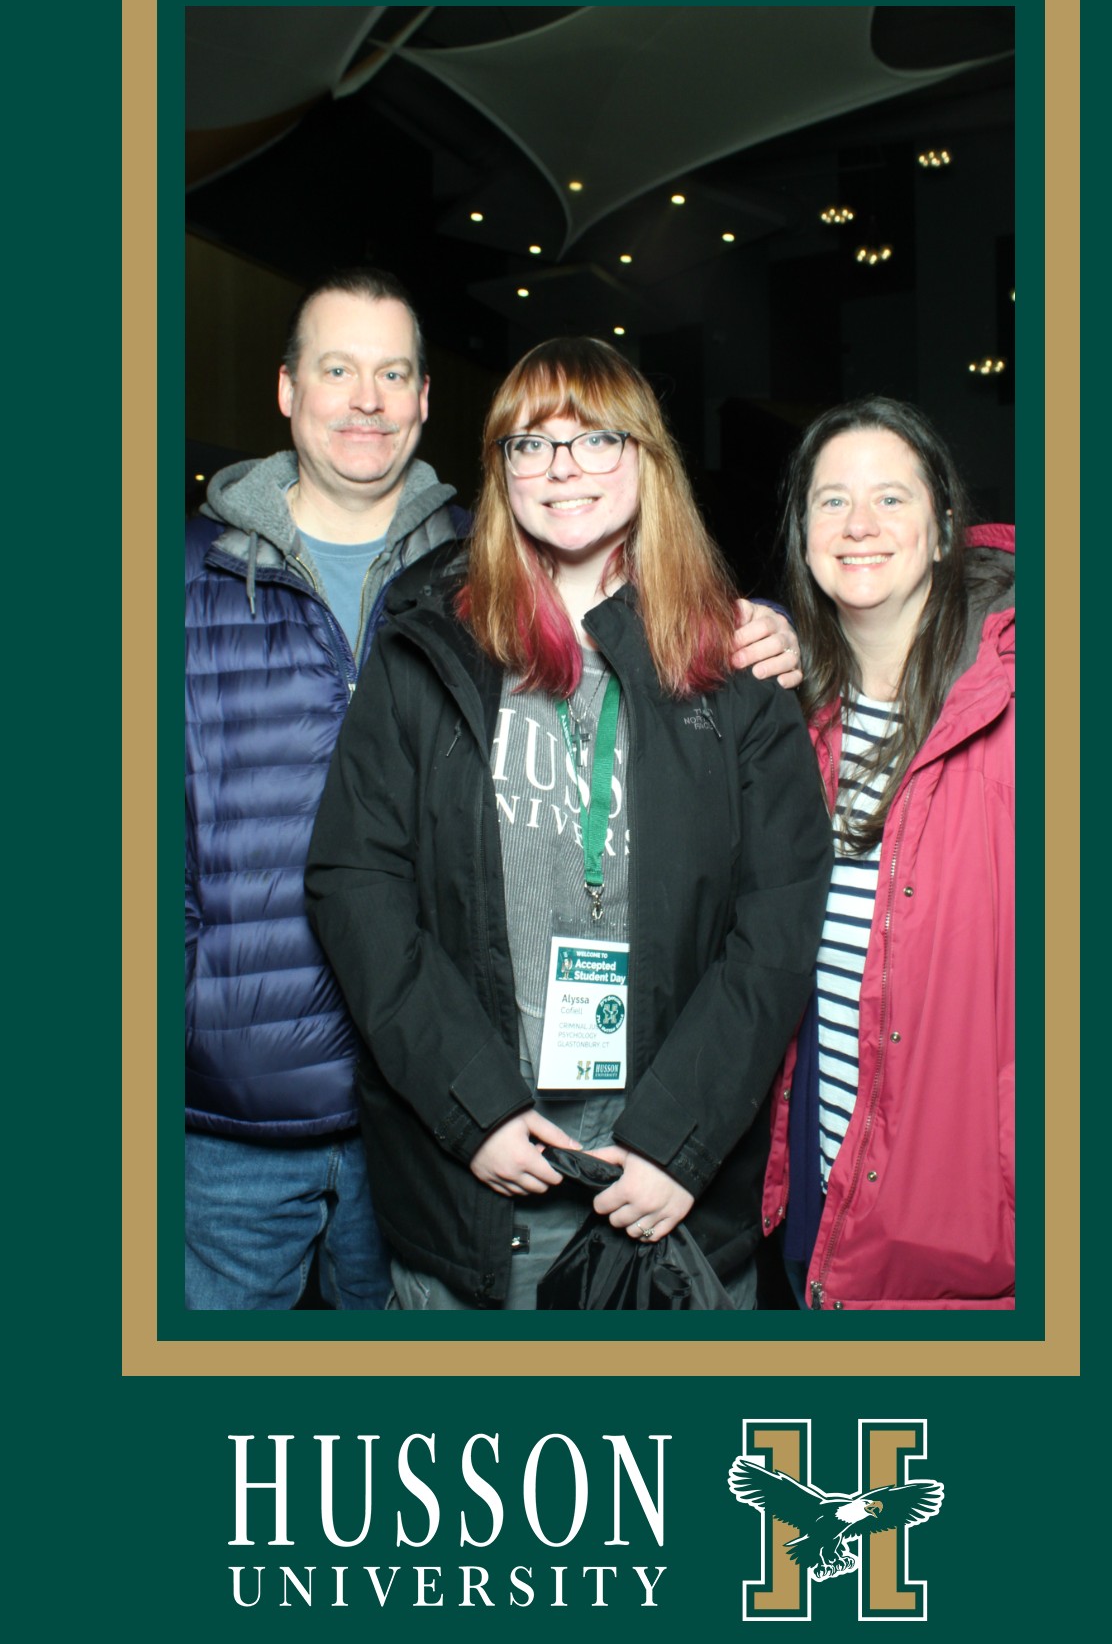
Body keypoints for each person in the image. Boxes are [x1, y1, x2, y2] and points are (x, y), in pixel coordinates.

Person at [185, 272, 806, 1311]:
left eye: (596, 439)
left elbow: (777, 918)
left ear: (647, 458)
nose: (564, 468)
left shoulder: (732, 663)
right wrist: (472, 1111)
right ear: (500, 468)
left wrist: (679, 1145)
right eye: (532, 443)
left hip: (664, 1192)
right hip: (467, 1178)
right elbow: (357, 879)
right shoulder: (435, 641)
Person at [761, 396, 1015, 1310]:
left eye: (891, 499)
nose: (859, 525)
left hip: (970, 1247)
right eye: (831, 500)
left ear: (946, 528)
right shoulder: (796, 721)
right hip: (820, 1210)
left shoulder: (1028, 704)